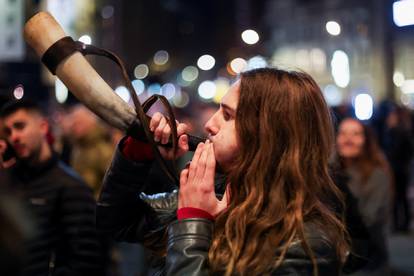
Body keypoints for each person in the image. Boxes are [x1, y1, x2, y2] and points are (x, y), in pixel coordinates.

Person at [97, 68, 350, 275]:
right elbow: (116, 222)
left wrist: (193, 220)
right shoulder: (221, 190)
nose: (209, 124)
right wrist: (138, 152)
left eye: (227, 116)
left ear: (266, 135)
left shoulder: (307, 243)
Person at [0, 100, 103, 276]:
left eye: (20, 126)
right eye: (8, 131)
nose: (14, 137)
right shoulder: (10, 182)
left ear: (43, 127)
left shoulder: (72, 187)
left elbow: (86, 261)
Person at [335, 118, 392, 275]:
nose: (348, 139)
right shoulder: (330, 172)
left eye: (356, 134)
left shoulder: (377, 175)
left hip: (368, 262)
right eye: (343, 133)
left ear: (366, 140)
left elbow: (368, 219)